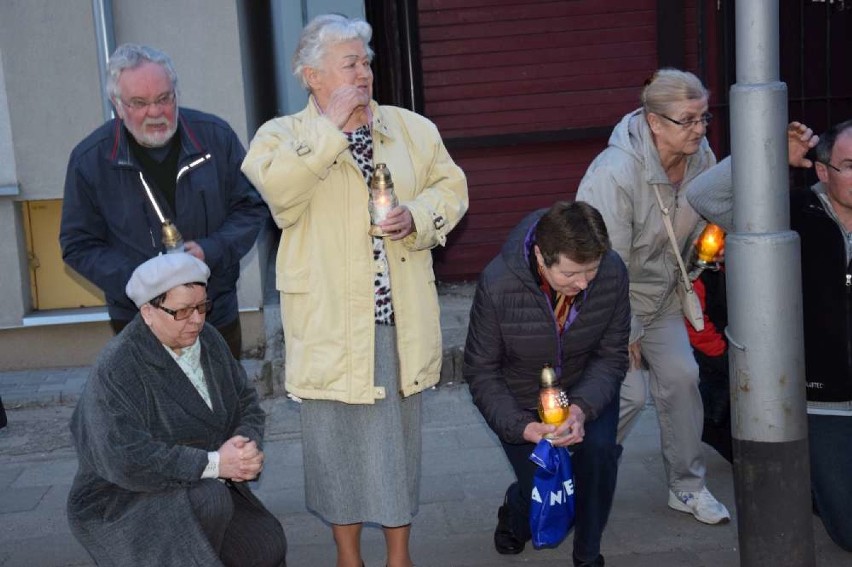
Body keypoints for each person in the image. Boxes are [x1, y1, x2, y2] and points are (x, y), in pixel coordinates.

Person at [240, 14, 468, 567]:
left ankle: (398, 557)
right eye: (350, 64)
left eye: (366, 63)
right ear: (311, 76)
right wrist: (330, 134)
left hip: (396, 317)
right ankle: (348, 556)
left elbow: (452, 187)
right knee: (334, 449)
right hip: (327, 319)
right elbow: (280, 196)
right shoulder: (280, 138)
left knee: (396, 445)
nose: (364, 74)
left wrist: (417, 216)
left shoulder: (412, 128)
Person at [575, 68, 732, 525]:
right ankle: (573, 478)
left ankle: (687, 487)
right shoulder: (615, 172)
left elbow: (713, 208)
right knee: (626, 396)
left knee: (683, 379)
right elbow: (603, 264)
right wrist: (626, 330)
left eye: (704, 118)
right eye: (688, 120)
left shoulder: (701, 155)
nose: (700, 130)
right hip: (608, 298)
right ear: (653, 121)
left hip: (664, 292)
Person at [688, 120, 852, 551]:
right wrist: (766, 153)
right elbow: (704, 196)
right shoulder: (788, 215)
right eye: (849, 165)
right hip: (824, 403)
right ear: (822, 170)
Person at [67, 253, 287, 567]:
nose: (196, 319)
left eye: (201, 306)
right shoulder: (119, 365)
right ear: (147, 312)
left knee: (265, 544)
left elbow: (246, 402)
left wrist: (244, 444)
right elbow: (126, 459)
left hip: (202, 481)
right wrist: (214, 464)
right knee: (211, 501)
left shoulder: (208, 339)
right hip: (122, 495)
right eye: (182, 311)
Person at [59, 43, 269, 359]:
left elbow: (251, 208)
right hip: (139, 321)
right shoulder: (90, 160)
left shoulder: (215, 137)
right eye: (139, 103)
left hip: (213, 312)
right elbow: (78, 244)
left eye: (163, 99)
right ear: (117, 104)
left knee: (224, 405)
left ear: (176, 93)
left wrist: (210, 250)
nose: (155, 112)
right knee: (154, 409)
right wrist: (143, 279)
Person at [464, 201, 630, 567]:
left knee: (597, 461)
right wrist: (523, 427)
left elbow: (612, 354)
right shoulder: (498, 283)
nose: (584, 282)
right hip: (523, 400)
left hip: (584, 388)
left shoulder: (613, 271)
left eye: (591, 270)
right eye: (571, 273)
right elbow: (481, 371)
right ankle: (516, 506)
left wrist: (582, 408)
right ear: (541, 256)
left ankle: (588, 555)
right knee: (547, 487)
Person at [687, 264, 733, 463]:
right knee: (717, 399)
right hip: (716, 348)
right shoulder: (702, 270)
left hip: (724, 343)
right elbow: (695, 321)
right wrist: (720, 351)